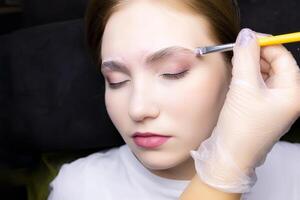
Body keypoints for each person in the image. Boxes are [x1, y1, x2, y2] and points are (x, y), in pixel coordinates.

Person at [48, 0, 300, 199]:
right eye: (116, 80)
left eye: (173, 72)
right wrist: (227, 165)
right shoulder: (81, 188)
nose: (138, 109)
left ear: (235, 67)